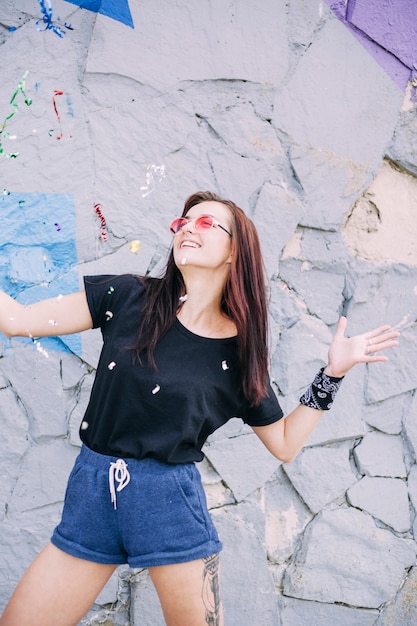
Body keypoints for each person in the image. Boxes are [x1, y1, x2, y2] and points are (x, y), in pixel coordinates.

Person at [0, 191, 399, 626]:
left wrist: (333, 374)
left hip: (168, 503)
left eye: (206, 223)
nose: (188, 227)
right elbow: (18, 320)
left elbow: (284, 443)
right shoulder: (128, 296)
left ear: (234, 251)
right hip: (93, 494)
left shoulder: (237, 355)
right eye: (183, 221)